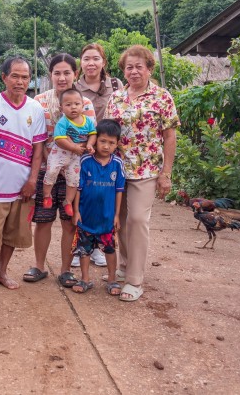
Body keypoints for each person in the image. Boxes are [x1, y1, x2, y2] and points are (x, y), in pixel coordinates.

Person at [105, 45, 179, 302]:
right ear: (123, 71)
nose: (134, 71)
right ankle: (124, 266)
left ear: (149, 68)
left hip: (146, 168)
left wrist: (166, 173)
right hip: (116, 168)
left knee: (137, 219)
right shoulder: (116, 98)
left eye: (139, 66)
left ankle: (135, 280)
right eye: (129, 67)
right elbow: (107, 131)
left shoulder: (162, 97)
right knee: (120, 220)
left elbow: (170, 136)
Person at [23, 54, 96, 288]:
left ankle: (65, 270)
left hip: (75, 170)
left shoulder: (85, 102)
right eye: (57, 73)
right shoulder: (39, 101)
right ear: (50, 75)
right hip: (47, 169)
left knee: (69, 223)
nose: (62, 77)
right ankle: (39, 266)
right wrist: (48, 160)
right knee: (43, 220)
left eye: (67, 72)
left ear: (75, 74)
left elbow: (89, 134)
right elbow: (38, 137)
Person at [0, 56, 47, 291]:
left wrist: (32, 181)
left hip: (22, 187)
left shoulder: (35, 109)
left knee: (13, 233)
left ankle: (2, 272)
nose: (20, 81)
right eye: (15, 76)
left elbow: (38, 149)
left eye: (25, 77)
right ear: (4, 77)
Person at [73, 43, 123, 268]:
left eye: (95, 58)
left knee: (104, 197)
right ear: (80, 62)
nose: (90, 63)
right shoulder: (75, 87)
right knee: (84, 199)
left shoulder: (115, 84)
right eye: (86, 59)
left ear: (103, 62)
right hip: (82, 151)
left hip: (107, 149)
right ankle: (81, 246)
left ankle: (99, 247)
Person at [70, 119, 125, 294]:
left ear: (117, 144)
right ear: (95, 140)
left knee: (109, 249)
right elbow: (78, 188)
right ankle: (85, 279)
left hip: (107, 218)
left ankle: (112, 279)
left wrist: (116, 215)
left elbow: (119, 191)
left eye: (111, 143)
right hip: (86, 216)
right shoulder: (85, 161)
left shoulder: (117, 164)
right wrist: (76, 211)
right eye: (102, 141)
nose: (106, 146)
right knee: (84, 250)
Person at [41, 88, 96, 217]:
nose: (73, 107)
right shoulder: (63, 122)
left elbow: (93, 134)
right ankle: (47, 195)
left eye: (77, 104)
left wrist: (89, 144)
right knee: (52, 171)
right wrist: (73, 147)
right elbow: (59, 140)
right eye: (68, 105)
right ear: (61, 108)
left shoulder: (87, 121)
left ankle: (68, 201)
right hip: (60, 152)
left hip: (76, 156)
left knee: (74, 179)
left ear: (82, 105)